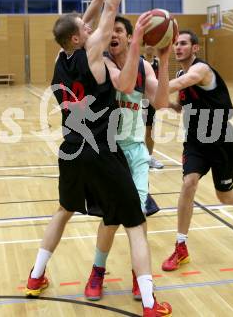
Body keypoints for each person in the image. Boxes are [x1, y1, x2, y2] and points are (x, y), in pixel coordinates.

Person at [24, 0, 171, 317]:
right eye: (85, 30)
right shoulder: (94, 57)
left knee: (63, 210)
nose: (92, 30)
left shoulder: (62, 57)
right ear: (79, 38)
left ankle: (36, 276)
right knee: (135, 225)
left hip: (70, 149)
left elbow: (88, 16)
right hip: (103, 151)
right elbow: (109, 10)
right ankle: (152, 303)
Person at [84, 15, 172, 307]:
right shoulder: (103, 62)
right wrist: (137, 44)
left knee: (138, 217)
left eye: (120, 30)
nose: (114, 34)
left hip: (134, 151)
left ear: (129, 35)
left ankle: (140, 273)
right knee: (110, 219)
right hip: (109, 151)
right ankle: (97, 270)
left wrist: (164, 58)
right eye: (111, 30)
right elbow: (122, 86)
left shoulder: (144, 66)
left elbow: (159, 102)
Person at [162, 30, 233, 272]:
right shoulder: (180, 73)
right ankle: (181, 246)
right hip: (195, 141)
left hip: (221, 139)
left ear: (195, 48)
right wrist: (168, 103)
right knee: (188, 183)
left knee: (224, 196)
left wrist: (156, 87)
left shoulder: (201, 70)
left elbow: (182, 83)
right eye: (176, 44)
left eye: (183, 43)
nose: (178, 47)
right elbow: (181, 104)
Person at [143, 45, 164, 169]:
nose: (150, 47)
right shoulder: (139, 61)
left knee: (150, 130)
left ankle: (149, 157)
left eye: (152, 45)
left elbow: (161, 81)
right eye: (147, 44)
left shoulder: (158, 62)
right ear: (144, 47)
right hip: (138, 100)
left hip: (151, 101)